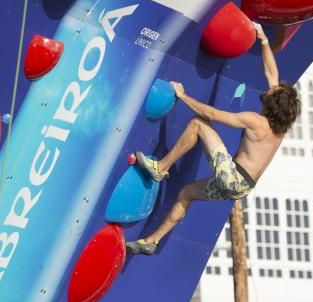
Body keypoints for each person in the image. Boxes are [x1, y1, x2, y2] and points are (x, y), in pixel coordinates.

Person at [126, 23, 300, 255]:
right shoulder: (278, 129)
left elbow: (211, 115)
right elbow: (271, 73)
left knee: (198, 124)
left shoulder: (256, 121)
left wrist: (182, 95)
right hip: (242, 187)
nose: (270, 88)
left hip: (234, 177)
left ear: (274, 103)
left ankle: (160, 167)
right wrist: (263, 39)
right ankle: (152, 241)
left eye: (273, 92)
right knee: (187, 193)